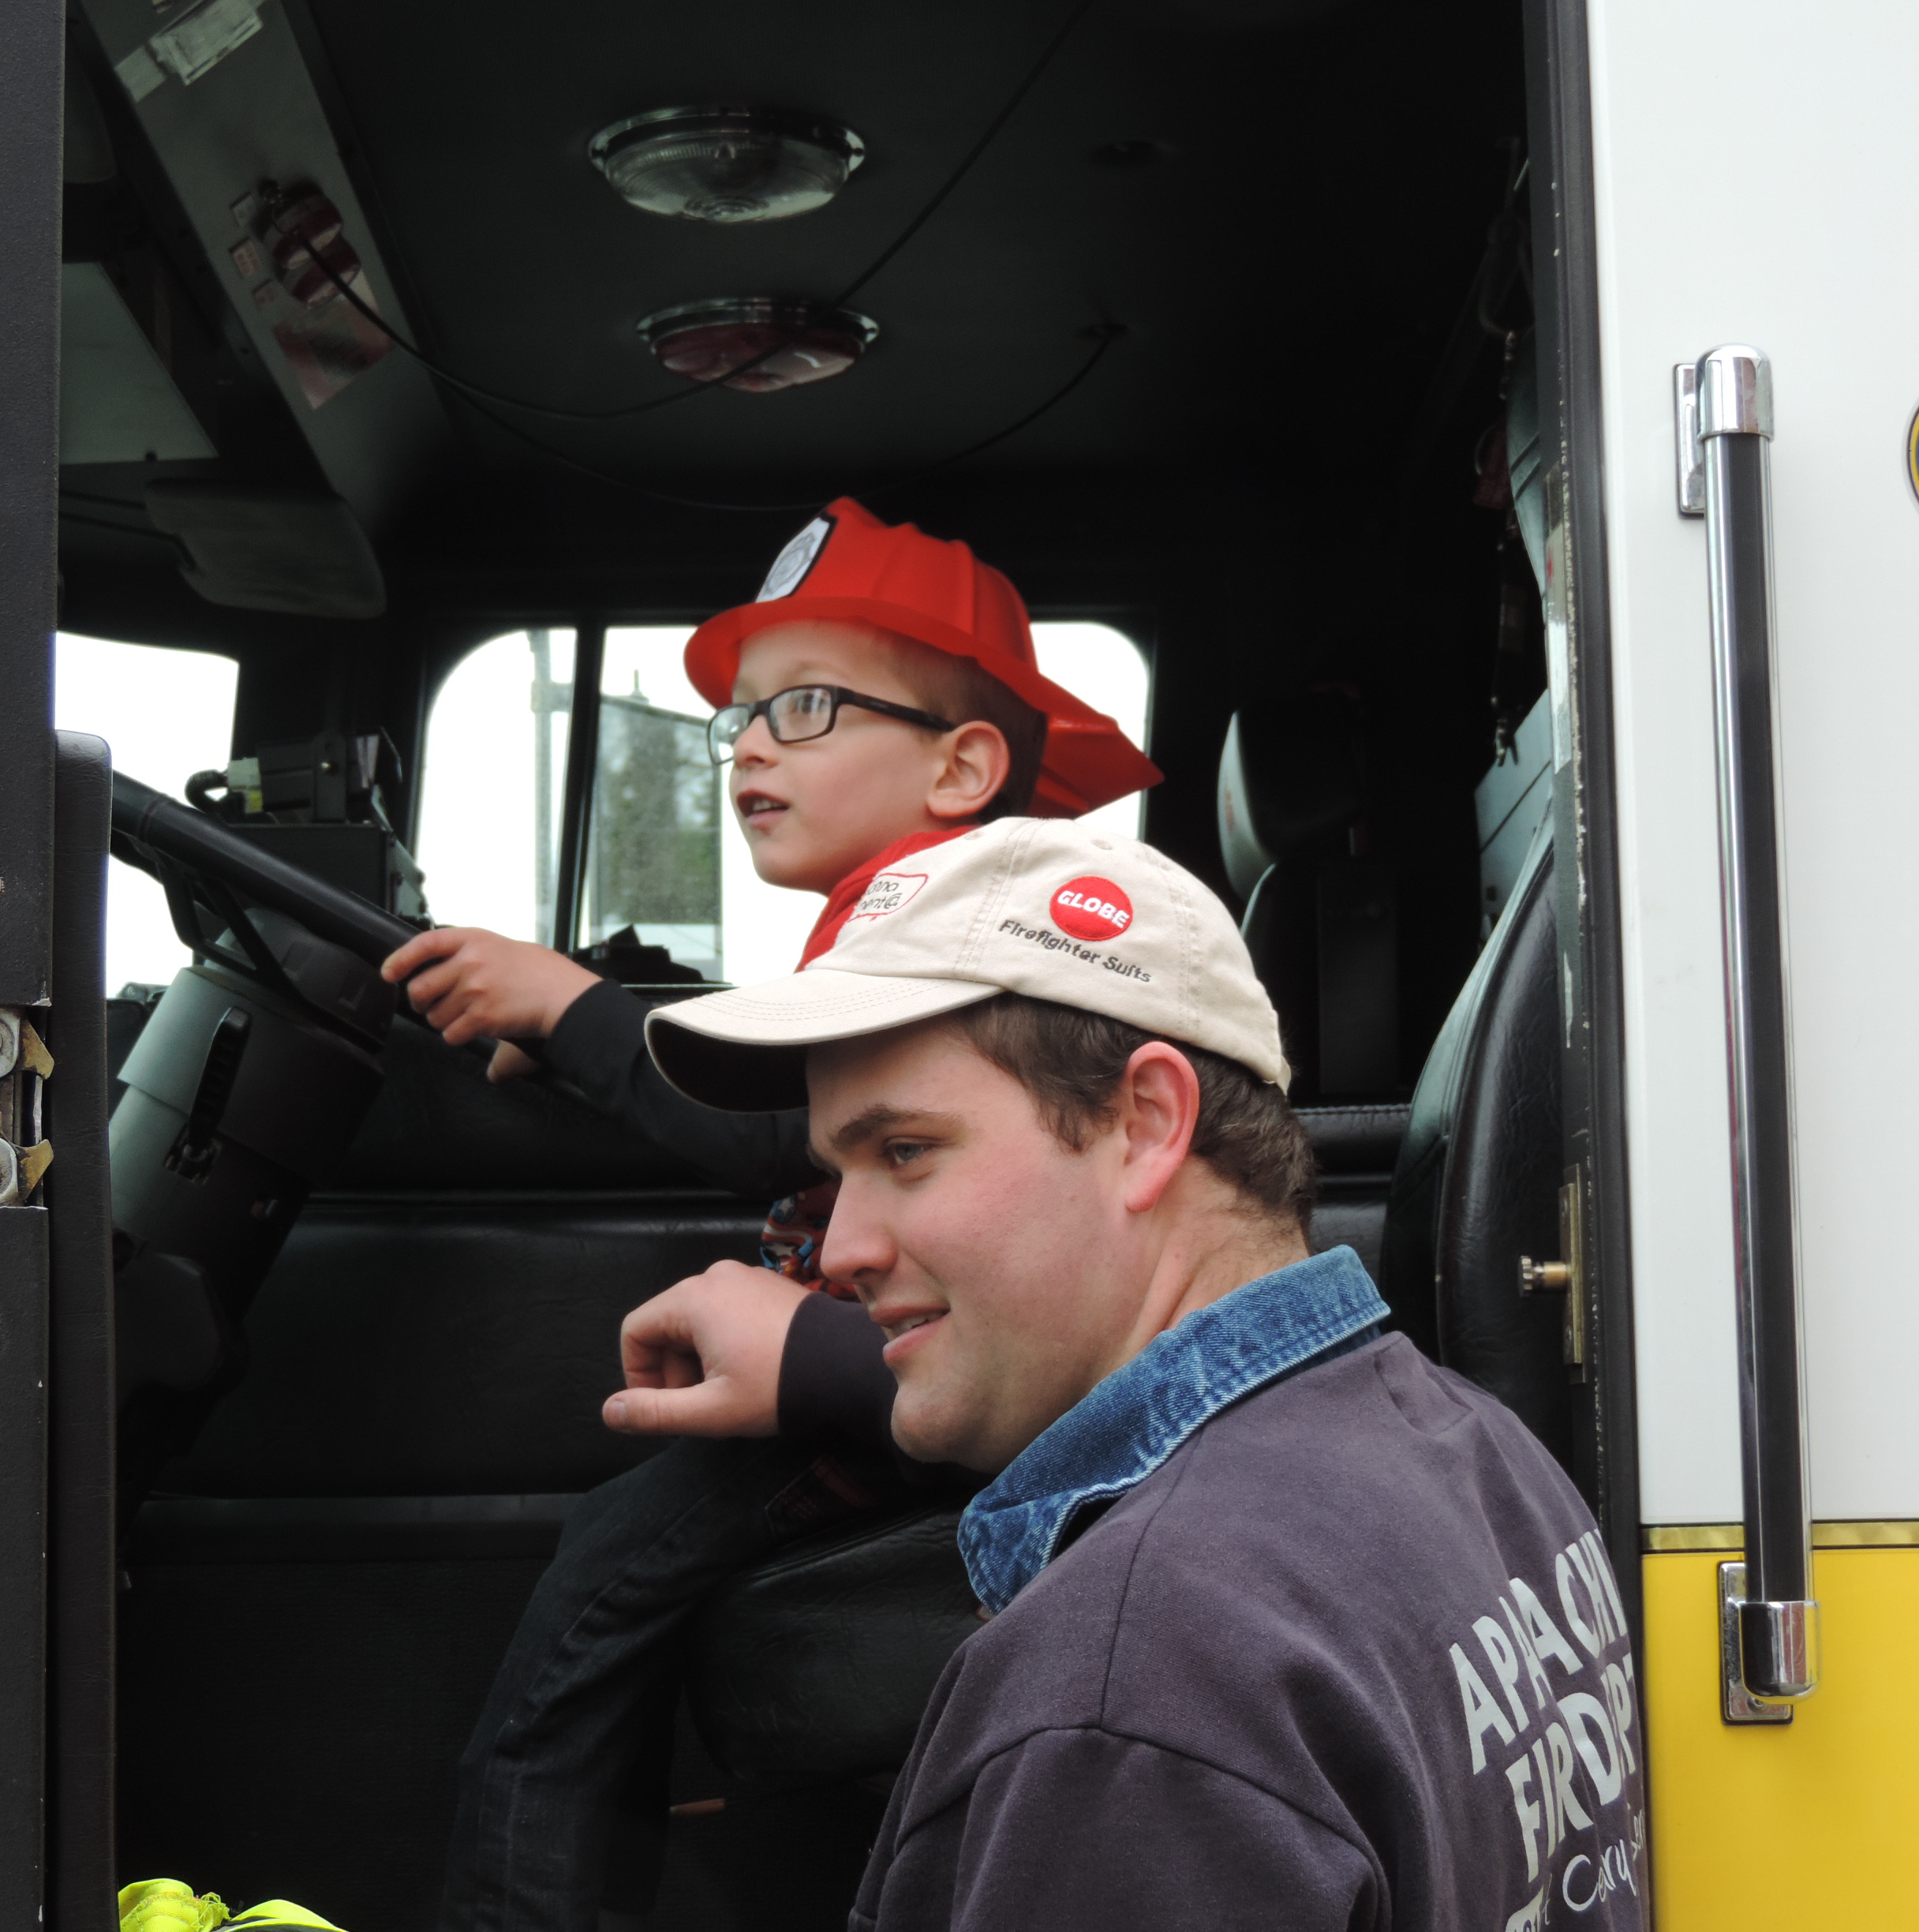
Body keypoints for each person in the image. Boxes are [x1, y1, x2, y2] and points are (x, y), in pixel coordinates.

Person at [632, 816, 1650, 1931]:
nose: (841, 1251)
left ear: (1149, 1122)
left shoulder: (1132, 1696)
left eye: (906, 1152)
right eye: (839, 1174)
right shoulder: (1475, 1451)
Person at [382, 500, 1161, 1932]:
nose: (746, 746)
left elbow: (779, 1126)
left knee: (586, 1606)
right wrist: (575, 1046)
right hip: (872, 1348)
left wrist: (572, 1005)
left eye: (803, 708)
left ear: (963, 764)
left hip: (918, 1367)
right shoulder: (891, 911)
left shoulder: (950, 915)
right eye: (738, 718)